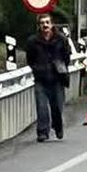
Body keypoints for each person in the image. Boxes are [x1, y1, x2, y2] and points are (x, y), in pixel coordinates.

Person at [24, 13, 71, 142]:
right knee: (42, 106)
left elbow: (67, 56)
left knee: (57, 106)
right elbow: (30, 59)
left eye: (47, 22)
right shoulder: (33, 41)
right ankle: (42, 132)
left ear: (52, 24)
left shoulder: (61, 39)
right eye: (42, 23)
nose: (45, 25)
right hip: (41, 78)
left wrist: (61, 67)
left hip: (57, 78)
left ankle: (57, 127)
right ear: (39, 26)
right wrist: (37, 69)